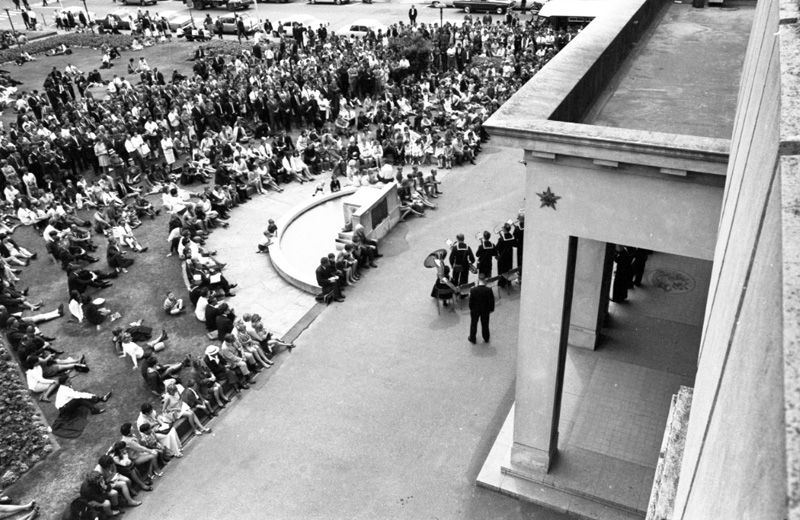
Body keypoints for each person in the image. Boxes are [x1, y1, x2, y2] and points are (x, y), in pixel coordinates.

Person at [468, 273, 494, 344]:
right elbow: (491, 301)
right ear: (485, 280)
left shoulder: (473, 290)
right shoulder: (489, 290)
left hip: (475, 310)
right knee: (485, 324)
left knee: (474, 323)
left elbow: (471, 302)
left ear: (478, 280)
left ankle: (472, 338)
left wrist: (471, 308)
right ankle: (486, 337)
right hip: (485, 310)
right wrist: (491, 309)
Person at [496, 223, 517, 287]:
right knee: (508, 268)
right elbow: (515, 244)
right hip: (509, 256)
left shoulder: (501, 239)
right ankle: (508, 282)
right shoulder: (512, 237)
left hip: (502, 257)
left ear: (504, 230)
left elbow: (497, 248)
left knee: (502, 270)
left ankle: (502, 283)